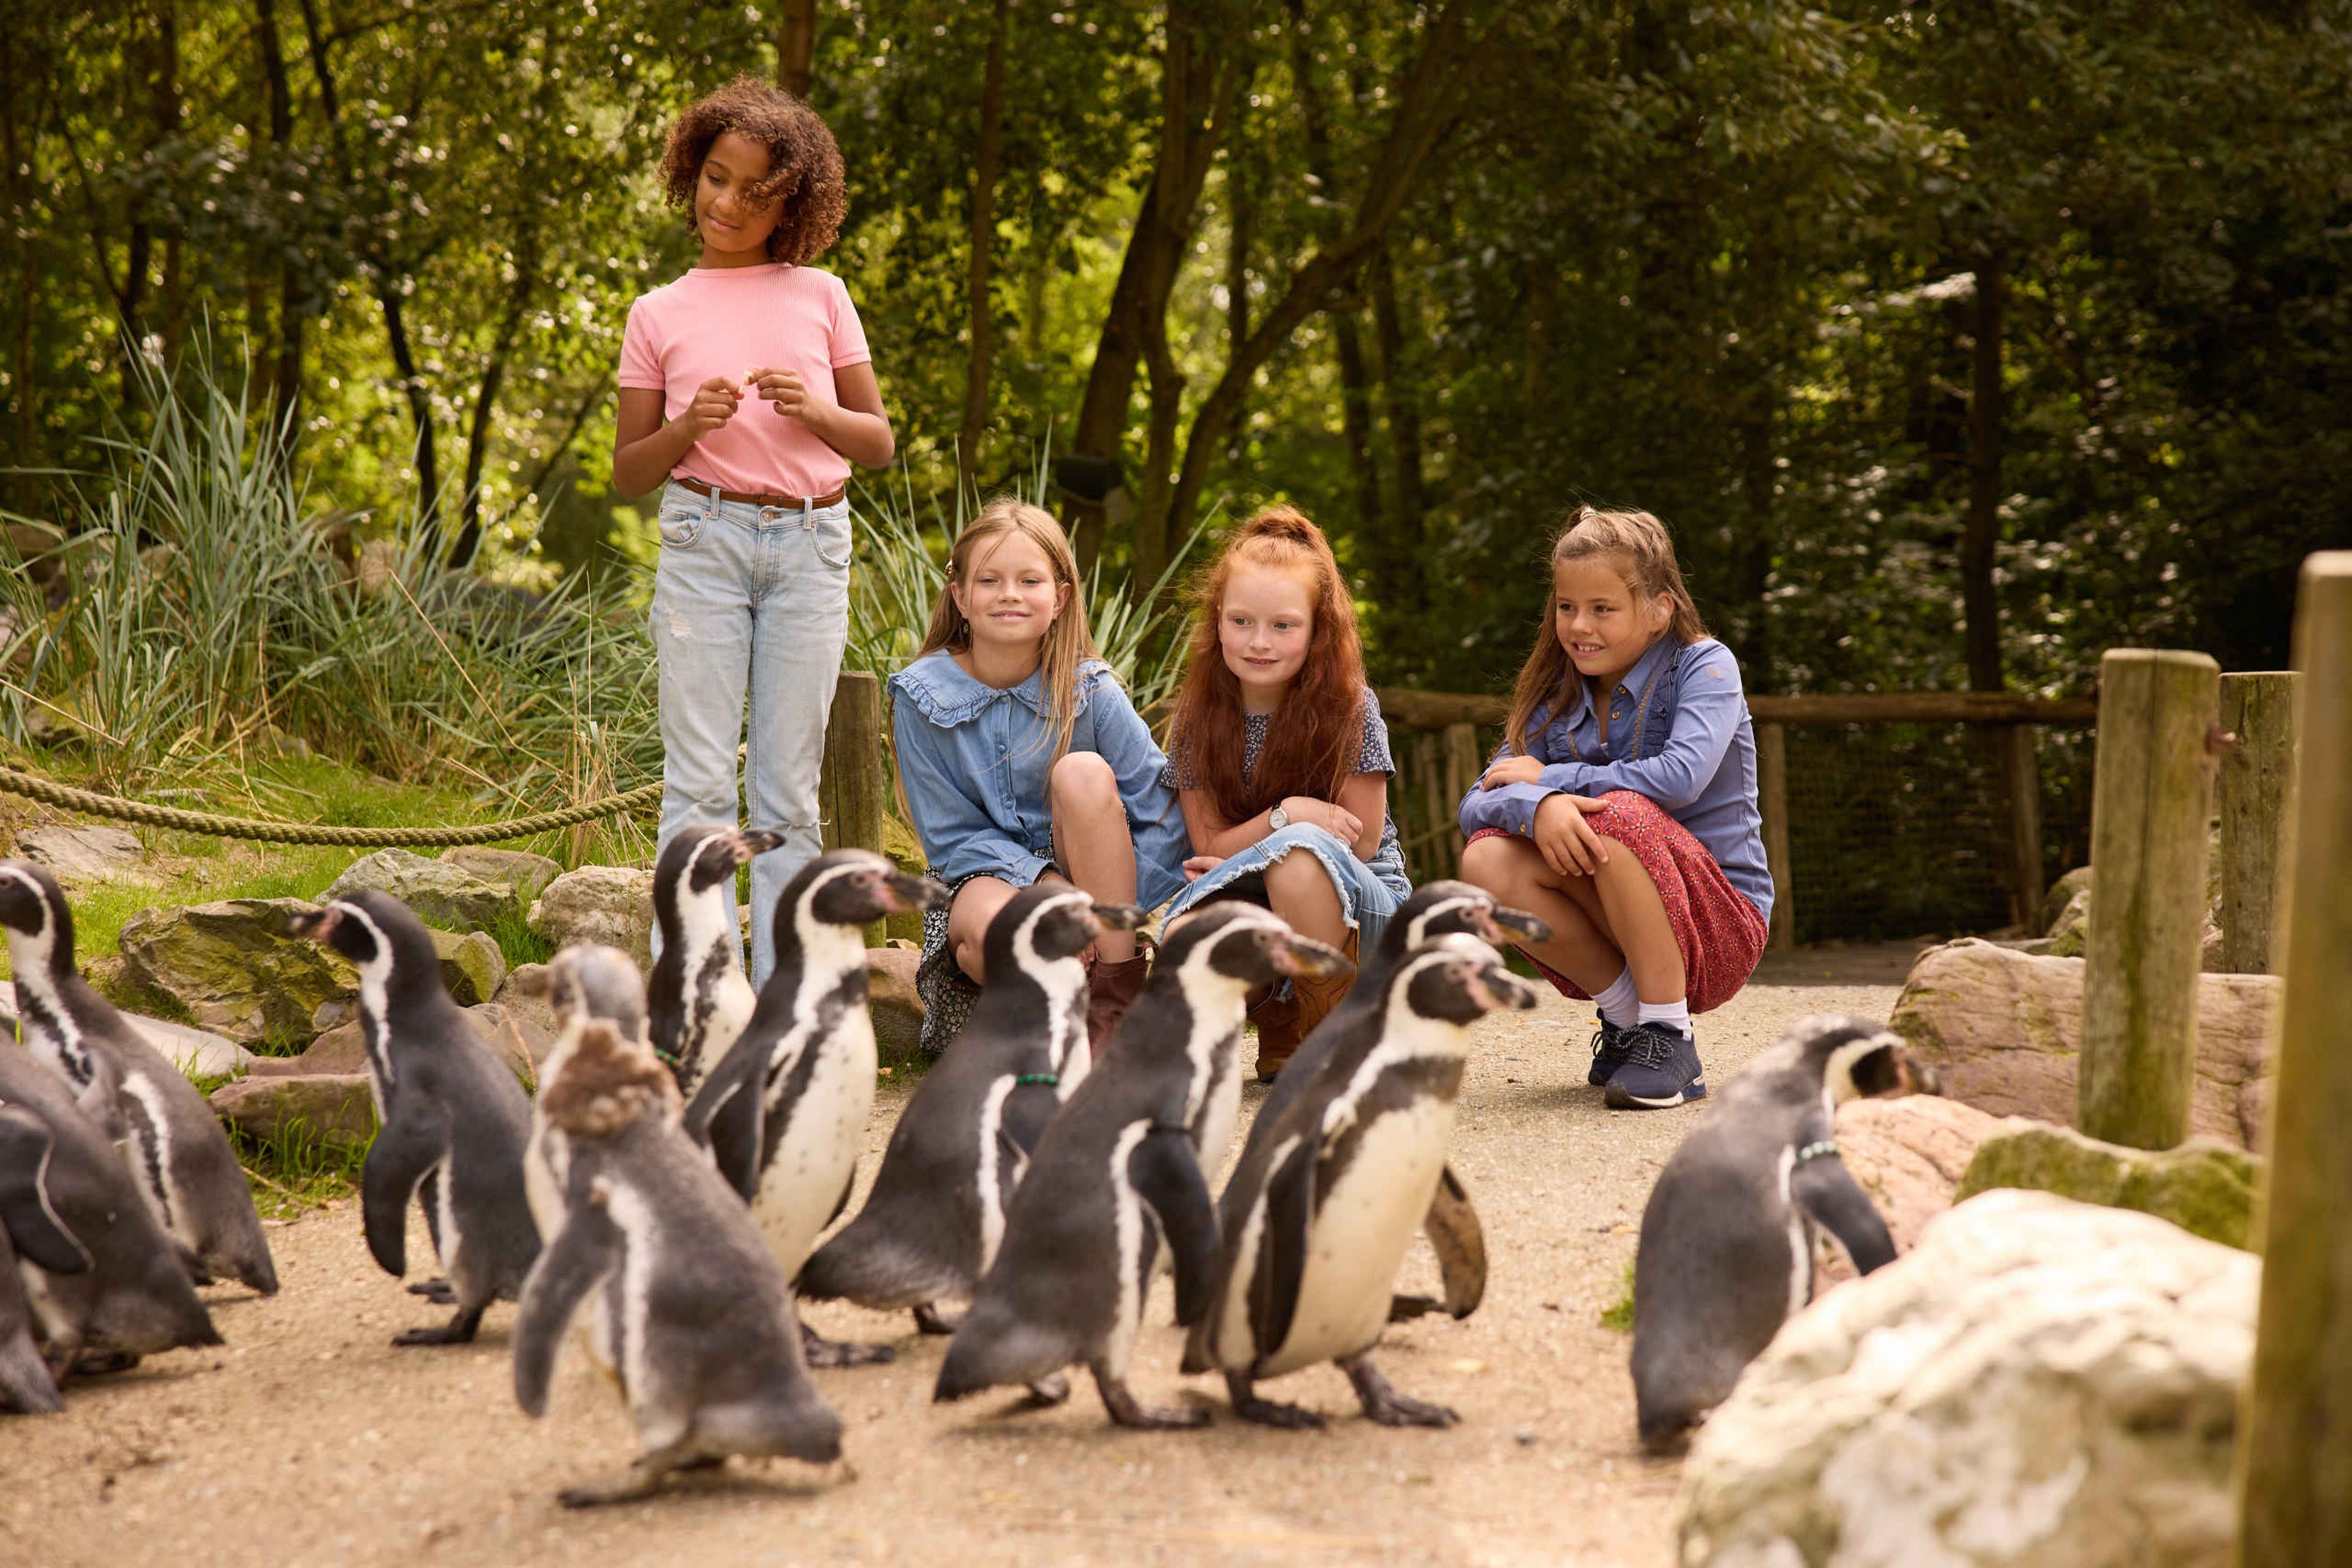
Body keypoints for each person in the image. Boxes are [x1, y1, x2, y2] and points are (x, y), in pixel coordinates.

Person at [611, 78, 894, 988]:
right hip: (704, 542)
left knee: (788, 795)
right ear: (693, 171)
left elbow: (879, 444)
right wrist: (689, 428)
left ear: (793, 206)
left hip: (811, 548)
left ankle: (786, 1003)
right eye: (716, 178)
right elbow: (628, 473)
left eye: (755, 192)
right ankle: (690, 995)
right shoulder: (658, 312)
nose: (727, 203)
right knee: (697, 788)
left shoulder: (821, 295)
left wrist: (814, 410)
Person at [1457, 505, 1771, 1110]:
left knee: (1618, 811)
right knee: (1487, 859)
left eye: (1603, 608)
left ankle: (1671, 1036)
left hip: (1720, 925)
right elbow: (1480, 799)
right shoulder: (1558, 695)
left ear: (1659, 611)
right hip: (1617, 920)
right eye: (1567, 607)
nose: (1579, 625)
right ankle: (1631, 1024)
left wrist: (1552, 777)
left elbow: (1678, 778)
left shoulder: (1706, 666)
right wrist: (1543, 806)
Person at [890, 499, 1189, 1056]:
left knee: (1081, 773)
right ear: (960, 596)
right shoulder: (921, 697)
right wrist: (1052, 893)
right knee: (986, 938)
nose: (1009, 594)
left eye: (1030, 580)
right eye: (990, 580)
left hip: (1097, 888)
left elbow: (1163, 814)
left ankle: (1113, 997)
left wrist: (1107, 915)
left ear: (1061, 598)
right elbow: (952, 839)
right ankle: (1034, 1021)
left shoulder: (1091, 692)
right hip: (980, 876)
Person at [1159, 507, 1412, 1082]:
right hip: (1256, 895)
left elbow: (1364, 841)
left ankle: (1334, 1035)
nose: (1259, 643)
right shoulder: (1198, 720)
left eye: (1283, 626)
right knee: (1183, 935)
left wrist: (1273, 842)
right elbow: (1207, 844)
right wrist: (1290, 816)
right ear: (1217, 620)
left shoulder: (1349, 707)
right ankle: (1280, 1023)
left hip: (1363, 907)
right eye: (1242, 622)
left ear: (1319, 629)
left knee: (1297, 861)